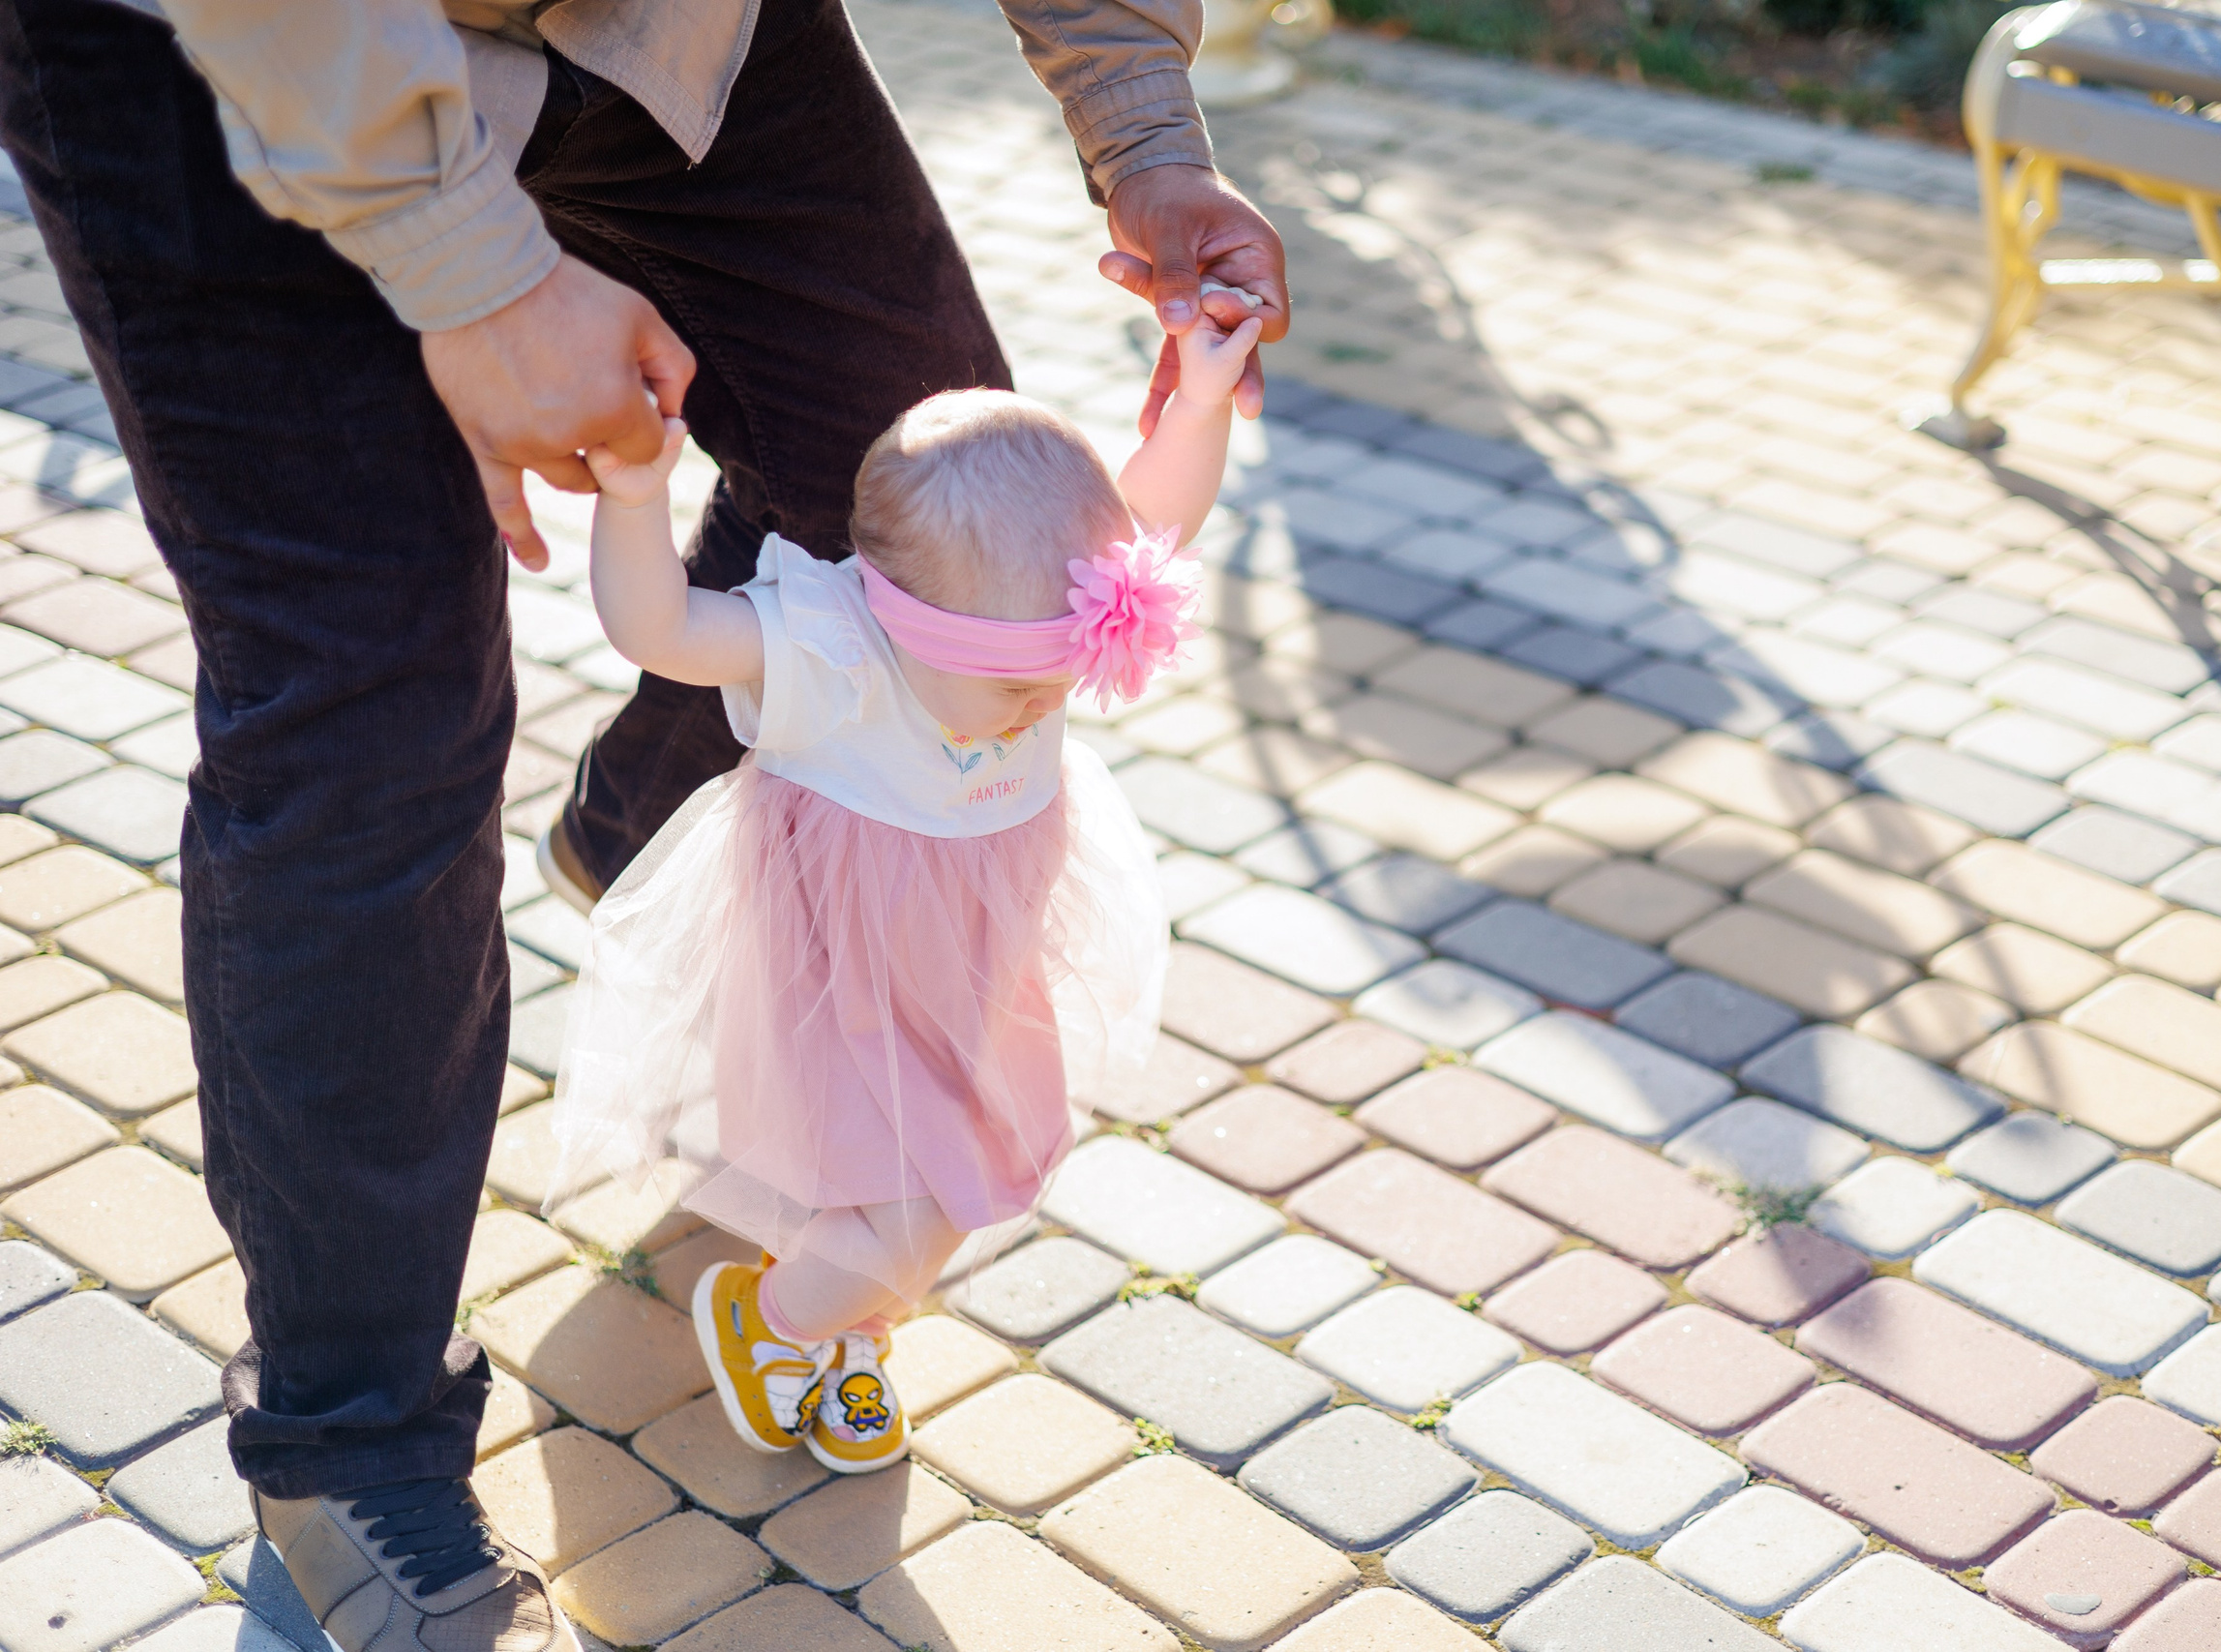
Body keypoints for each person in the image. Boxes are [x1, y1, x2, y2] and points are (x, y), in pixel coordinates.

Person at [0, 1, 1284, 1647]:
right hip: (233, 43)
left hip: (671, 25)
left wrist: (1149, 136)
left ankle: (655, 833)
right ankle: (347, 1439)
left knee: (934, 487)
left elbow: (1103, 525)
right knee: (373, 706)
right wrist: (467, 263)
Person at [549, 303, 1258, 1479]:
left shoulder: (1036, 608)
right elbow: (663, 628)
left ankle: (849, 1321)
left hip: (982, 951)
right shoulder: (831, 649)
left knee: (934, 1166)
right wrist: (632, 498)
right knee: (923, 1184)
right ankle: (776, 1317)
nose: (1044, 707)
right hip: (847, 960)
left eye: (1055, 677)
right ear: (901, 619)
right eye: (1012, 687)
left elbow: (1165, 516)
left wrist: (1199, 398)